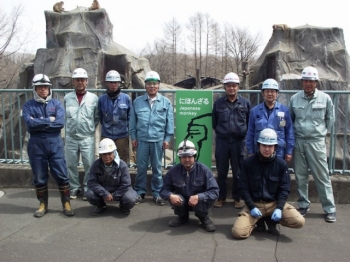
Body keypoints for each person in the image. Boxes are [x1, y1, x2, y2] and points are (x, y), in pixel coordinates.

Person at [232, 128, 305, 239]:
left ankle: (271, 220)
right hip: (255, 204)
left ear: (275, 147)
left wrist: (279, 208)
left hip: (274, 204)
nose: (267, 149)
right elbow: (243, 187)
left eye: (270, 146)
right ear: (258, 145)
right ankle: (258, 220)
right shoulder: (248, 163)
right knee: (238, 233)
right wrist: (251, 206)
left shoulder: (281, 164)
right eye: (264, 145)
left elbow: (284, 188)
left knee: (299, 221)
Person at [22, 74, 74, 217]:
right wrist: (48, 120)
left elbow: (59, 123)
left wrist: (38, 121)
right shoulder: (28, 105)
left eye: (46, 87)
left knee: (62, 174)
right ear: (35, 89)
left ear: (49, 88)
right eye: (40, 87)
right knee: (39, 175)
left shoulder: (57, 104)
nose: (43, 90)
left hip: (55, 143)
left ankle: (66, 203)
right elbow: (30, 125)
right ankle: (43, 203)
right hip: (36, 144)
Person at [289, 66, 336, 222]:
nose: (308, 83)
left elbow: (330, 120)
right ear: (302, 82)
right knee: (300, 176)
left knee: (322, 176)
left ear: (316, 82)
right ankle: (303, 204)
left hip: (316, 143)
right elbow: (290, 119)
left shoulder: (325, 99)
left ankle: (329, 208)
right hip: (299, 141)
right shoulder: (294, 99)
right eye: (306, 81)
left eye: (311, 81)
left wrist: (319, 133)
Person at [129, 71, 174, 206]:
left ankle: (157, 193)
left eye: (155, 84)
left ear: (159, 85)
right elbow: (132, 121)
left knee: (157, 169)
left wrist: (167, 138)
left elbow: (169, 122)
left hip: (158, 140)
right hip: (142, 140)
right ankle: (140, 192)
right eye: (149, 84)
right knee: (141, 168)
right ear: (145, 86)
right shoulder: (137, 102)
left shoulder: (165, 102)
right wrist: (133, 136)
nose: (152, 86)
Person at [160, 140, 219, 232]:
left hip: (199, 203)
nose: (187, 159)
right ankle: (182, 217)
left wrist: (199, 197)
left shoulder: (204, 170)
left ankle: (203, 217)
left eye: (189, 156)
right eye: (183, 157)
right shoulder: (173, 171)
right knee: (176, 198)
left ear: (194, 157)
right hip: (183, 201)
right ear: (180, 158)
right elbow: (164, 190)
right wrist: (170, 195)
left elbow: (215, 191)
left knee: (200, 200)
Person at [212, 72, 251, 208]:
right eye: (229, 86)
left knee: (238, 172)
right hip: (222, 142)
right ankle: (221, 197)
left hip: (239, 142)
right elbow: (214, 123)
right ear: (225, 87)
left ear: (238, 87)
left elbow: (249, 122)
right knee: (221, 171)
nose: (231, 88)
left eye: (234, 86)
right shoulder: (218, 103)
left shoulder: (245, 103)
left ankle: (237, 197)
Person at [64, 68, 99, 200]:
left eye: (82, 80)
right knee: (71, 164)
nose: (80, 83)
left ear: (86, 82)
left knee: (89, 164)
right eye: (77, 80)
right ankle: (74, 187)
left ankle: (87, 188)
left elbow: (96, 117)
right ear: (73, 82)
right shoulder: (67, 98)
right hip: (71, 137)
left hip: (87, 138)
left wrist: (89, 128)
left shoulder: (93, 98)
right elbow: (65, 118)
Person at [86, 138, 138, 215]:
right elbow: (92, 182)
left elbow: (126, 184)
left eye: (109, 153)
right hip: (104, 190)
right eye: (104, 154)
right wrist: (104, 193)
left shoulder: (122, 165)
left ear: (114, 153)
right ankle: (101, 206)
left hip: (119, 190)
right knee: (89, 194)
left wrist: (114, 195)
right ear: (100, 155)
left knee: (130, 198)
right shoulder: (96, 165)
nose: (107, 156)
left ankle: (123, 206)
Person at [246, 78, 294, 161]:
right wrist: (250, 151)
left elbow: (289, 131)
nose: (270, 94)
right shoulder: (255, 111)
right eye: (267, 91)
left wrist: (289, 151)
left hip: (278, 151)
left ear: (277, 94)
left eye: (272, 91)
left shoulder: (284, 110)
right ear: (263, 93)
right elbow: (250, 132)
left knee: (277, 173)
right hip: (259, 150)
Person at [98, 70, 132, 164]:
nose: (113, 85)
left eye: (116, 82)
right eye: (111, 82)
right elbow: (101, 118)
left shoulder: (126, 98)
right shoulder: (102, 99)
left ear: (119, 83)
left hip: (122, 136)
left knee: (121, 162)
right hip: (106, 135)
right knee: (105, 162)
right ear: (107, 83)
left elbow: (130, 118)